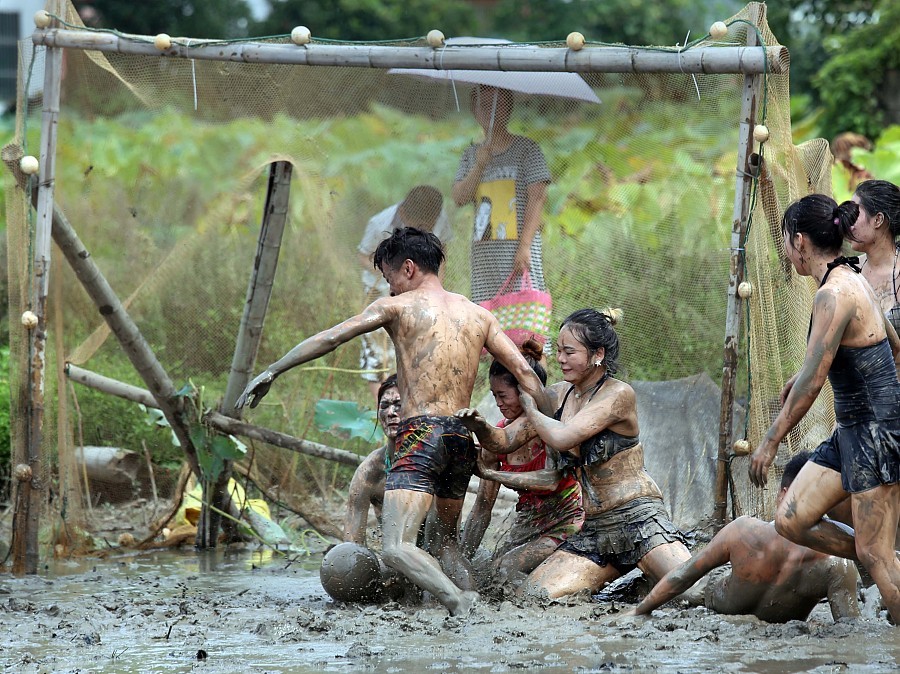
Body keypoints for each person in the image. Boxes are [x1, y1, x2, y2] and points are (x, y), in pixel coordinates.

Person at [236, 227, 551, 615]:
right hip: (461, 438)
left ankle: (460, 602)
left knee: (397, 547)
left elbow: (333, 337)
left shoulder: (399, 308)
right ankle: (481, 609)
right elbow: (526, 374)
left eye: (389, 280)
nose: (390, 291)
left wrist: (274, 369)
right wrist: (559, 422)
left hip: (421, 436)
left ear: (407, 268)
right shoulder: (478, 315)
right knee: (447, 545)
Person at [466, 308, 691, 599]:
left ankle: (648, 578)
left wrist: (532, 408)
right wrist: (477, 425)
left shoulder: (618, 394)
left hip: (638, 519)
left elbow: (562, 436)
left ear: (598, 354)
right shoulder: (560, 394)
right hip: (594, 530)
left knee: (691, 590)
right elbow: (505, 439)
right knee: (531, 596)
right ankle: (634, 587)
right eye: (558, 350)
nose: (560, 359)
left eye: (569, 352)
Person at [748, 194, 900, 623]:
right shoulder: (855, 277)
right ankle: (883, 556)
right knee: (790, 519)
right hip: (855, 429)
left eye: (784, 242)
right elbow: (891, 347)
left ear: (799, 242)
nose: (785, 251)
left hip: (876, 435)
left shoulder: (834, 294)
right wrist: (811, 371)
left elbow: (816, 383)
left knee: (878, 559)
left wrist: (769, 442)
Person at [626, 451, 861, 622]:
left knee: (688, 579)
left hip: (720, 599)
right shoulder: (838, 565)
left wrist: (638, 612)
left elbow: (682, 575)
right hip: (715, 587)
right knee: (685, 579)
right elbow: (849, 629)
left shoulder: (743, 531)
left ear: (783, 495)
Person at [456, 339, 584, 587]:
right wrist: (460, 560)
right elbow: (482, 509)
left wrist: (492, 475)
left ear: (525, 393)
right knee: (488, 575)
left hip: (568, 522)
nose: (498, 403)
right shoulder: (497, 440)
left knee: (504, 569)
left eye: (503, 395)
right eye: (494, 396)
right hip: (528, 524)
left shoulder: (551, 427)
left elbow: (550, 481)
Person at [451, 86, 551, 313]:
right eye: (482, 105)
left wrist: (524, 247)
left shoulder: (527, 149)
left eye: (496, 104)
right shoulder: (471, 154)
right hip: (484, 258)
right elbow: (459, 197)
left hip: (518, 254)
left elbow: (538, 197)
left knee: (524, 319)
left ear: (508, 108)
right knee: (486, 321)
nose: (489, 110)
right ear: (474, 111)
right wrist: (479, 165)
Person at [358, 186, 452, 398]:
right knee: (378, 355)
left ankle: (412, 404)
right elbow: (363, 255)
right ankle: (383, 411)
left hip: (418, 295)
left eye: (428, 226)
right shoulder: (379, 224)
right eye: (419, 225)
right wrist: (390, 278)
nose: (424, 229)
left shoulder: (438, 217)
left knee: (415, 347)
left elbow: (442, 251)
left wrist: (436, 288)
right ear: (403, 213)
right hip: (380, 291)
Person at [343, 375, 401, 546]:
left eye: (398, 405)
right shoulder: (370, 471)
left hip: (433, 559)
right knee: (339, 560)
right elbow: (352, 542)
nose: (391, 413)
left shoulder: (435, 461)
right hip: (393, 557)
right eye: (385, 406)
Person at [850, 179, 900, 367]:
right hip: (857, 393)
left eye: (854, 214)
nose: (849, 223)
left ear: (878, 220)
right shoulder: (849, 271)